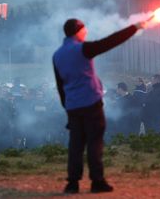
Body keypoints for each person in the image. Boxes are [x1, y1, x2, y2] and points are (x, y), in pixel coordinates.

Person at [53, 18, 145, 194]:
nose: (86, 32)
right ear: (77, 31)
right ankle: (97, 181)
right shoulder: (83, 49)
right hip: (91, 103)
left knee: (76, 145)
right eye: (84, 29)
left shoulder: (57, 55)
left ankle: (72, 183)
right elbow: (110, 41)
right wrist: (136, 27)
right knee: (95, 142)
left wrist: (67, 108)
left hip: (73, 106)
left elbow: (60, 86)